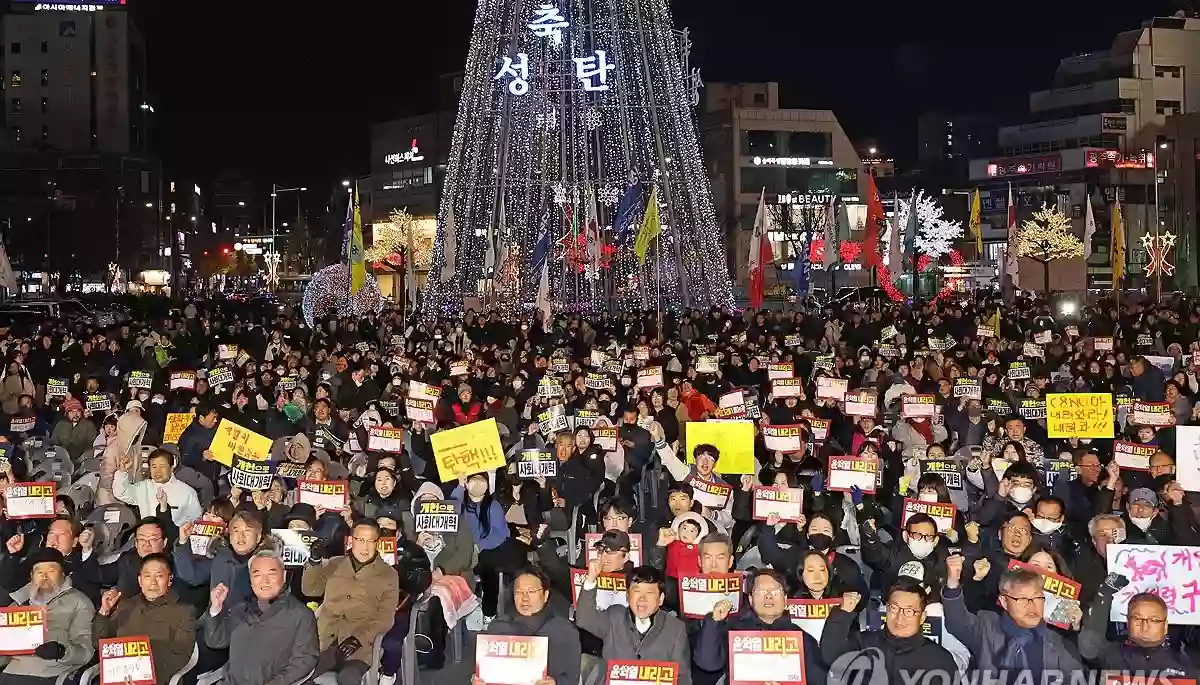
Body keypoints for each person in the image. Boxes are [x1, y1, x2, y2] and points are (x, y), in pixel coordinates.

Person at [942, 556, 1084, 677]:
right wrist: (953, 584)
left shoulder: (1058, 643)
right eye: (1022, 599)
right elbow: (957, 622)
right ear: (1004, 601)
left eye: (1037, 598)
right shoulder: (987, 627)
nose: (1031, 606)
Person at [301, 520, 400, 685]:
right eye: (360, 540)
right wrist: (314, 562)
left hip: (358, 647)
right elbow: (310, 590)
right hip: (324, 640)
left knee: (348, 678)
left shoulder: (388, 574)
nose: (365, 547)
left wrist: (359, 638)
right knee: (299, 673)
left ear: (378, 543)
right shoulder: (335, 564)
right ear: (351, 540)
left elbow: (385, 617)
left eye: (370, 541)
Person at [201, 550, 319, 685]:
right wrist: (216, 608)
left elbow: (304, 661)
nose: (265, 581)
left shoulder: (301, 615)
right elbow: (215, 641)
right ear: (251, 580)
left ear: (284, 575)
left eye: (271, 574)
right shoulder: (239, 610)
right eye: (257, 575)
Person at [694, 569, 826, 685]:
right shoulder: (735, 632)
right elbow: (707, 663)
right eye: (761, 591)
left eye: (775, 591)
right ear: (750, 600)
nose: (768, 595)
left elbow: (819, 681)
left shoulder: (802, 639)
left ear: (785, 600)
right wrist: (714, 622)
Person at [820, 579, 958, 683]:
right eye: (894, 608)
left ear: (922, 617)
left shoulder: (939, 659)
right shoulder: (864, 644)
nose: (899, 617)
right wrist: (842, 614)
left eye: (909, 611)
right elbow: (832, 656)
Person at [574, 563, 691, 684]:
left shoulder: (675, 628)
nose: (642, 598)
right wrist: (591, 579)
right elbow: (584, 619)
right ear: (627, 595)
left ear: (661, 599)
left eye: (649, 593)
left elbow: (682, 677)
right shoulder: (614, 617)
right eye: (637, 591)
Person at [93, 553, 196, 681]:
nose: (153, 583)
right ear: (140, 581)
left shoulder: (184, 611)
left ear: (169, 580)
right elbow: (100, 644)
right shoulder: (126, 604)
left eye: (159, 576)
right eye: (147, 576)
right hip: (118, 677)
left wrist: (144, 678)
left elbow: (180, 655)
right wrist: (104, 612)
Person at [472, 567, 581, 685]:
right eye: (519, 592)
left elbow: (572, 679)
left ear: (545, 595)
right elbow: (487, 672)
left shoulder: (564, 631)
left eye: (531, 591)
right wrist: (479, 680)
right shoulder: (498, 629)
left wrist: (555, 683)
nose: (525, 598)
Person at [0, 548, 95, 684]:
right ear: (31, 576)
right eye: (39, 572)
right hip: (11, 672)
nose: (44, 577)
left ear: (62, 574)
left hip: (51, 673)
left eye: (51, 571)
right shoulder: (18, 604)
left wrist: (62, 652)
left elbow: (86, 651)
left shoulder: (79, 602)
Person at [1079, 575, 1195, 677]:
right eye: (1138, 618)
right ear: (1128, 622)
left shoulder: (1185, 661)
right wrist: (1104, 595)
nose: (1145, 626)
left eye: (1154, 620)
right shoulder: (1111, 654)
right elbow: (1089, 647)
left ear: (1165, 626)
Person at [113, 448, 203, 526]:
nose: (157, 471)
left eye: (162, 466)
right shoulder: (144, 487)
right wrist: (122, 471)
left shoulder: (187, 492)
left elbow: (195, 519)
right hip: (148, 538)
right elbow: (121, 493)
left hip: (174, 541)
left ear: (172, 467)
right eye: (154, 466)